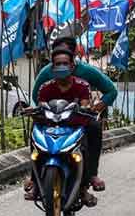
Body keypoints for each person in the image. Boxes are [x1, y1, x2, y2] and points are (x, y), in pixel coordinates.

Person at [31, 36, 115, 191]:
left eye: (66, 59)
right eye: (58, 59)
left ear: (73, 56)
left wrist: (96, 107)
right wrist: (40, 112)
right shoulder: (46, 75)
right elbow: (36, 97)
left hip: (78, 119)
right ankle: (35, 180)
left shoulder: (86, 74)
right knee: (35, 129)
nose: (61, 63)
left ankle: (91, 174)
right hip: (53, 118)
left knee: (94, 128)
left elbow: (111, 90)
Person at [24, 46, 102, 207]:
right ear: (52, 67)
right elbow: (40, 106)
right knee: (34, 132)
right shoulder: (45, 87)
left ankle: (86, 183)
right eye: (57, 64)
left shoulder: (82, 86)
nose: (61, 67)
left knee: (93, 129)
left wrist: (86, 109)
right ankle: (36, 182)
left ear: (72, 66)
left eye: (65, 63)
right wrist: (34, 111)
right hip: (51, 125)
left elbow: (85, 105)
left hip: (74, 125)